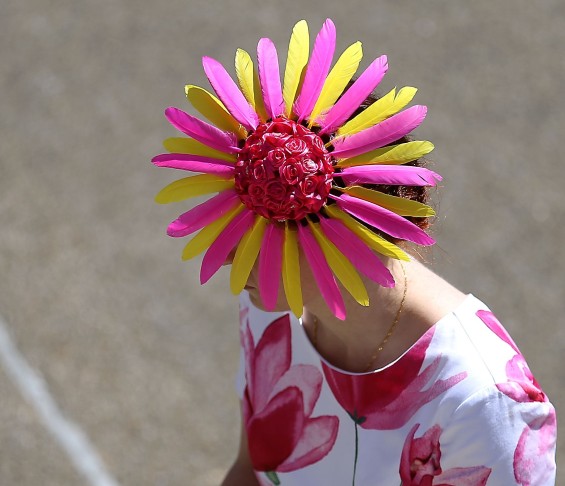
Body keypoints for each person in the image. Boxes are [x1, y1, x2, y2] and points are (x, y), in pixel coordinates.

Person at [152, 19, 557, 485]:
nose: (227, 255)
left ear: (354, 230)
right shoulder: (273, 303)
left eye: (264, 220)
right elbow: (251, 472)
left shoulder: (483, 405)